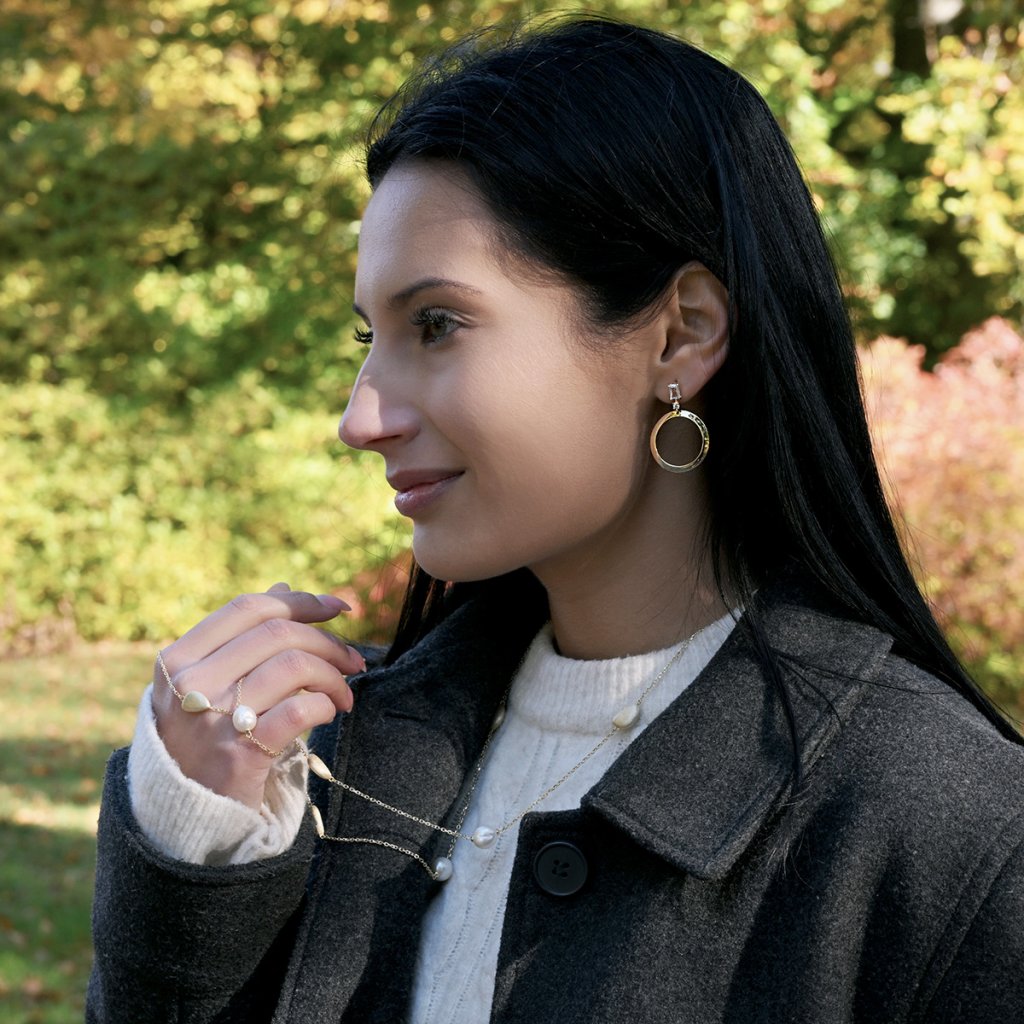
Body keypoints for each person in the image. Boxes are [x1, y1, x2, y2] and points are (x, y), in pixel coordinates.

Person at [88, 16, 1024, 1024]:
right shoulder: (317, 767)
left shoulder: (949, 827)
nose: (360, 418)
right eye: (369, 338)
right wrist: (196, 847)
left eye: (436, 324)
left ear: (682, 334)